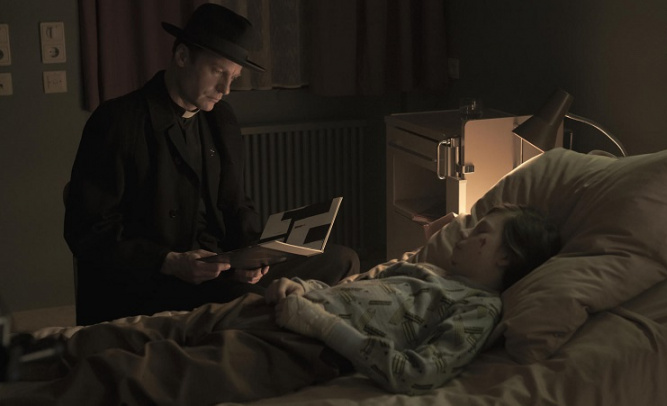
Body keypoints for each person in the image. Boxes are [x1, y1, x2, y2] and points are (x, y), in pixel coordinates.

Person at [2, 204, 561, 405]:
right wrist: (304, 291)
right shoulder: (426, 268)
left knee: (145, 373)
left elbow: (414, 374)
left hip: (303, 348)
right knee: (142, 334)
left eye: (483, 232)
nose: (467, 232)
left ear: (506, 258)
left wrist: (316, 320)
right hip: (279, 309)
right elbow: (355, 290)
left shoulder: (479, 310)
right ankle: (21, 356)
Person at [63, 3, 359, 326]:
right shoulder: (117, 121)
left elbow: (236, 203)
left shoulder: (222, 119)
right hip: (157, 280)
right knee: (263, 307)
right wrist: (170, 261)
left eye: (234, 77)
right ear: (182, 56)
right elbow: (87, 232)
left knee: (343, 261)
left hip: (222, 266)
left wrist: (254, 254)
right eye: (218, 72)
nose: (226, 89)